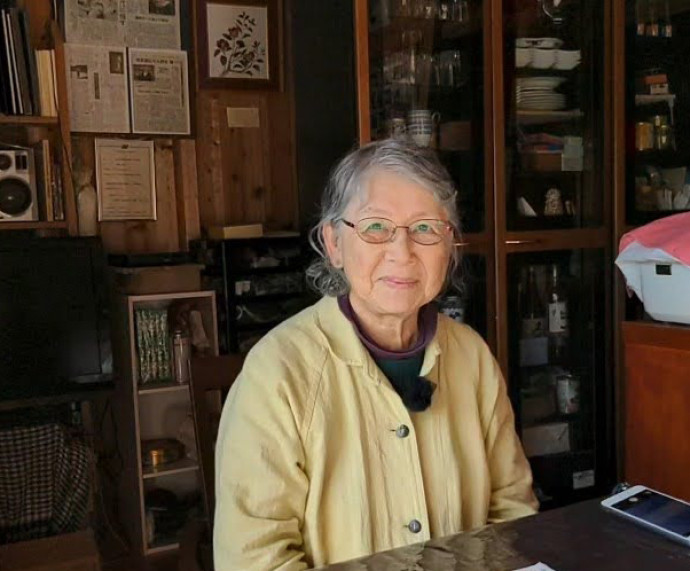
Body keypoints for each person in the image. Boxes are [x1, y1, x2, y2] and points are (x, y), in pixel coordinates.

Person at [213, 139, 538, 570]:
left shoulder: (472, 357)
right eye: (375, 228)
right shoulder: (277, 373)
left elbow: (512, 513)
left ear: (450, 246)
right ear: (333, 244)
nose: (402, 253)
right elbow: (253, 560)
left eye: (425, 229)